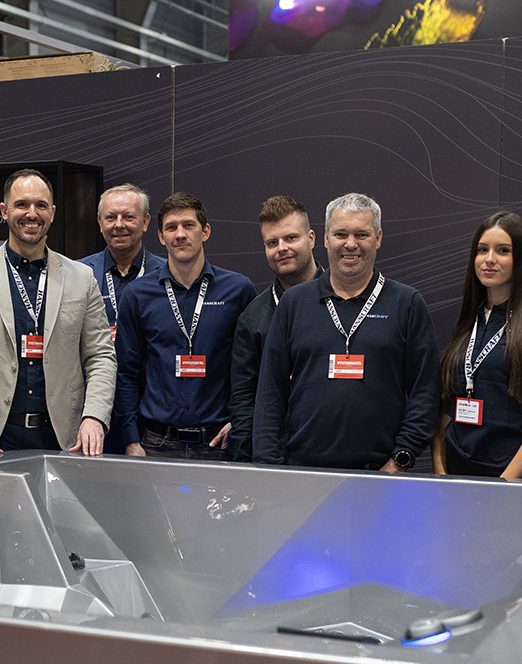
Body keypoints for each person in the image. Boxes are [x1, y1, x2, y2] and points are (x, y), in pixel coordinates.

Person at [0, 168, 116, 458]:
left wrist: (94, 416)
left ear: (52, 213)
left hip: (64, 438)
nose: (32, 213)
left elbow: (101, 357)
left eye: (41, 205)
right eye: (22, 204)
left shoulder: (82, 278)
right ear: (4, 211)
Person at [253, 192, 439, 471]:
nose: (350, 244)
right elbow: (270, 395)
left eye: (361, 234)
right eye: (341, 234)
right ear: (326, 238)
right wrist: (270, 468)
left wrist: (401, 459)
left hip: (380, 475)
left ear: (378, 238)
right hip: (301, 471)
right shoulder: (294, 303)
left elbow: (426, 391)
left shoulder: (407, 303)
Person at [433, 211, 522, 478]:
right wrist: (440, 471)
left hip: (512, 476)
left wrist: (505, 483)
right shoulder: (467, 322)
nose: (489, 259)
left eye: (503, 251)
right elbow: (445, 407)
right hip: (456, 473)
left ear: (521, 258)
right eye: (482, 249)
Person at [115, 191, 256, 459]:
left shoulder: (239, 290)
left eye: (188, 225)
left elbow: (254, 370)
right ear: (160, 236)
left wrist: (240, 423)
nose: (180, 234)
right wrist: (131, 439)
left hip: (219, 444)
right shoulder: (138, 294)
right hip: (156, 444)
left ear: (205, 231)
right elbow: (126, 373)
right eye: (171, 227)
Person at [228, 195, 321, 462]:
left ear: (311, 238)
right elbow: (244, 400)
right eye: (272, 242)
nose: (282, 248)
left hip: (333, 453)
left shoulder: (344, 303)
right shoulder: (252, 318)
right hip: (275, 456)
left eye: (291, 238)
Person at [80, 183, 168, 455]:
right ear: (99, 222)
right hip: (90, 410)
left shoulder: (167, 275)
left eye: (129, 217)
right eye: (111, 217)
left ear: (145, 222)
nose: (119, 225)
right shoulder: (79, 274)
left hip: (150, 413)